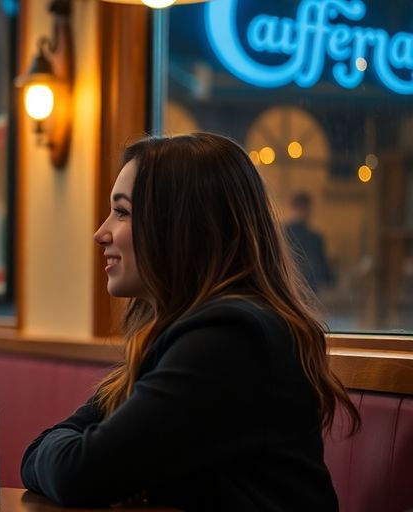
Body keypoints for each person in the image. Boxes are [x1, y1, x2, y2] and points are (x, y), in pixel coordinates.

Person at [20, 133, 359, 511]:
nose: (101, 234)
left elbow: (78, 473)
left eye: (123, 212)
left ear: (180, 227)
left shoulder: (230, 339)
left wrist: (85, 461)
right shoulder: (183, 337)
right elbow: (43, 453)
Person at [284, 191, 334, 292]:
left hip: (288, 288)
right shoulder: (314, 238)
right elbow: (323, 267)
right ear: (305, 209)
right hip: (306, 289)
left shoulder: (280, 233)